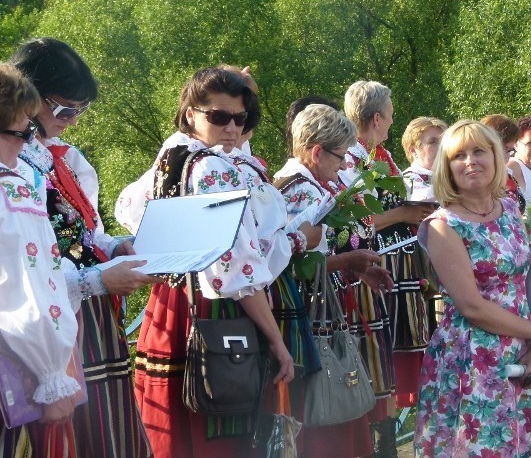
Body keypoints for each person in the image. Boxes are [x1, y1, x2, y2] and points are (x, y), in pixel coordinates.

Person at [131, 66, 300, 458]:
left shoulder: (172, 155)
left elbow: (132, 210)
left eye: (240, 118)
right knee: (221, 432)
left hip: (169, 304)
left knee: (173, 431)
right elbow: (236, 271)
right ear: (191, 113)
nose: (231, 128)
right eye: (218, 116)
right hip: (215, 311)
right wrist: (276, 340)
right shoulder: (213, 169)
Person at [12, 38, 154, 458]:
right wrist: (95, 279)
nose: (72, 121)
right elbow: (26, 266)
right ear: (27, 96)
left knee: (106, 431)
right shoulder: (13, 165)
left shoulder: (64, 160)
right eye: (64, 110)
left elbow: (87, 232)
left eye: (80, 111)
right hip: (49, 321)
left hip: (88, 315)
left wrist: (116, 246)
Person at [415, 120, 531, 457]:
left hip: (523, 352)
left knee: (525, 446)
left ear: (497, 157)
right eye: (458, 155)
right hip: (474, 359)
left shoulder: (509, 208)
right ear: (446, 167)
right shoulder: (441, 226)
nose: (470, 161)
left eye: (479, 151)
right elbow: (472, 307)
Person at [273, 102, 393, 458]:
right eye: (340, 156)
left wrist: (354, 267)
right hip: (308, 315)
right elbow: (291, 264)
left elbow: (318, 255)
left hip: (320, 308)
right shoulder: (300, 190)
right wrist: (348, 260)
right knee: (322, 407)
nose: (343, 165)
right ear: (316, 151)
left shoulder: (309, 184)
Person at [340, 81, 434, 454]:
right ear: (377, 118)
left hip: (388, 267)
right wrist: (404, 213)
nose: (393, 121)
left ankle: (387, 444)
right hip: (365, 271)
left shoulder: (379, 155)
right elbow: (350, 224)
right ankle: (378, 445)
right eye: (391, 115)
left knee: (386, 362)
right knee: (372, 362)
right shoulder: (350, 157)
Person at [0, 62, 82, 457]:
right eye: (23, 130)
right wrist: (52, 376)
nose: (29, 141)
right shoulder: (10, 192)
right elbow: (29, 289)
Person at [480, 114, 526, 212]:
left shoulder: (508, 176)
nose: (507, 157)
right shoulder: (479, 180)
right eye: (504, 149)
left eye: (510, 151)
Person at [401, 116, 447, 202]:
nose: (442, 147)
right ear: (413, 150)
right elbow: (420, 199)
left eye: (444, 142)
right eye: (433, 142)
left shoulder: (449, 176)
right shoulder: (406, 181)